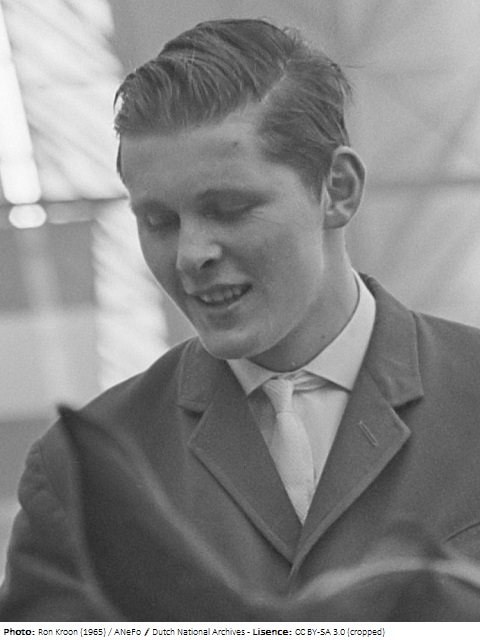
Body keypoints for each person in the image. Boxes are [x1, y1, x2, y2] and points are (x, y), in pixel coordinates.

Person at [1, 17, 480, 621]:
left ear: (338, 189)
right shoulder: (72, 478)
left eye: (228, 209)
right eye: (158, 222)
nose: (190, 255)